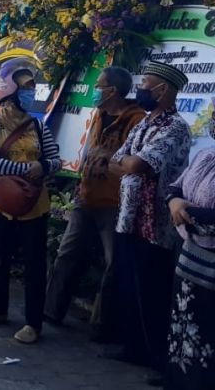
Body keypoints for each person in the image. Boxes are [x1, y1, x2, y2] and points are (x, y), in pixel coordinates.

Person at [44, 66, 144, 339]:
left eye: (100, 85)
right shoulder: (99, 114)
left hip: (115, 204)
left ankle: (105, 326)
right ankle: (51, 310)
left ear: (112, 90)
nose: (96, 90)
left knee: (114, 264)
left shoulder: (136, 120)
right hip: (86, 196)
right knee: (67, 253)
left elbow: (133, 163)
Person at [108, 61, 191, 373]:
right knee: (129, 284)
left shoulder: (176, 127)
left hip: (154, 222)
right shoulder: (144, 122)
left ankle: (156, 357)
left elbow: (137, 166)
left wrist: (128, 164)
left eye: (146, 83)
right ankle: (132, 347)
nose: (140, 89)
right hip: (128, 216)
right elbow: (118, 161)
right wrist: (127, 164)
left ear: (162, 89)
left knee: (152, 290)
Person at [0, 58, 61, 345]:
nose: (30, 93)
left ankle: (33, 324)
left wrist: (46, 166)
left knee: (35, 265)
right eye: (25, 88)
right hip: (1, 202)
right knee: (0, 257)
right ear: (9, 93)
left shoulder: (38, 126)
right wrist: (31, 169)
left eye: (32, 88)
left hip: (35, 204)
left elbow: (56, 159)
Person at [164, 94, 215, 390]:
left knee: (214, 330)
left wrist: (186, 211)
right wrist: (175, 203)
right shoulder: (207, 154)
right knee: (182, 321)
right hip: (188, 255)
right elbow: (175, 186)